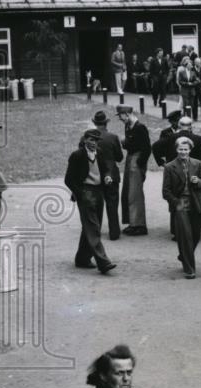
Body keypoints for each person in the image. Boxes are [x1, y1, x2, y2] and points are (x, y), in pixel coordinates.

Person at [64, 130, 118, 275]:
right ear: (85, 140)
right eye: (91, 140)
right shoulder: (77, 155)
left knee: (93, 226)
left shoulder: (99, 152)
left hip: (98, 191)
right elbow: (68, 179)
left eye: (96, 140)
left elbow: (106, 168)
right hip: (85, 192)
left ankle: (82, 258)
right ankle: (103, 262)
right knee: (93, 228)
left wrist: (107, 177)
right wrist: (80, 193)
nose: (93, 142)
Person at [162, 137, 201, 279]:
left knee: (195, 235)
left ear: (190, 150)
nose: (183, 152)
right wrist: (176, 203)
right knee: (185, 236)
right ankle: (189, 269)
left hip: (195, 202)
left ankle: (183, 255)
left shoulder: (197, 163)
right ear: (176, 149)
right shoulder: (169, 167)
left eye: (185, 149)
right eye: (180, 149)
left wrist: (198, 181)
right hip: (180, 203)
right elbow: (166, 191)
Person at [117, 105, 150, 236]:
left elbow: (147, 148)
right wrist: (124, 143)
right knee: (128, 192)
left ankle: (139, 225)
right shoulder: (128, 126)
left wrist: (140, 165)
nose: (120, 119)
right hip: (131, 159)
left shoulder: (140, 127)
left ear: (126, 114)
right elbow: (130, 144)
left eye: (120, 116)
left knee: (134, 193)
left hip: (136, 160)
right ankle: (132, 222)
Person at [93, 110, 123, 241]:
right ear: (106, 123)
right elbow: (119, 157)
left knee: (95, 206)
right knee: (112, 204)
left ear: (95, 124)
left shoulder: (87, 138)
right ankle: (114, 232)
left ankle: (95, 231)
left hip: (95, 174)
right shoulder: (113, 137)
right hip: (111, 173)